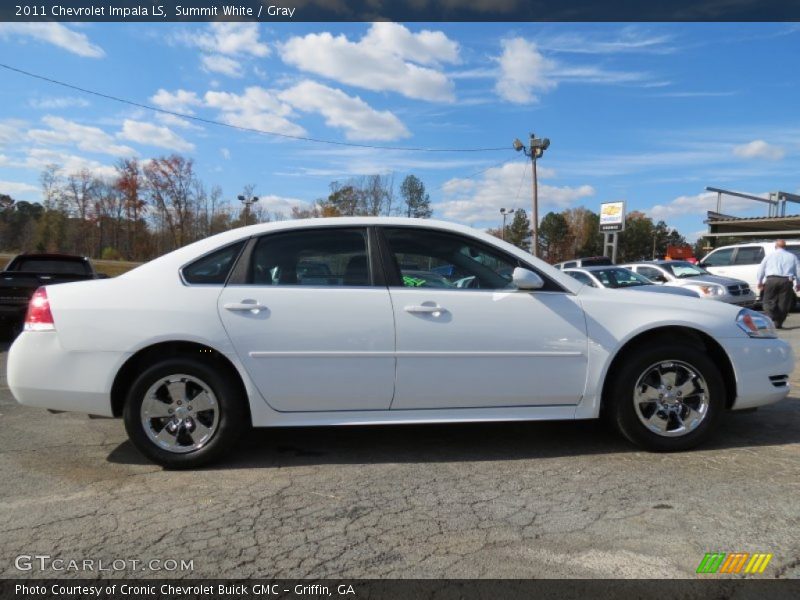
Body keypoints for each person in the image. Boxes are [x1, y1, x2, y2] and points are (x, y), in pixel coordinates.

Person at [755, 239, 800, 328]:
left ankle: (771, 316)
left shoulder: (769, 256)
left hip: (771, 280)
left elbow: (761, 269)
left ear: (776, 247)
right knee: (784, 303)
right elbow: (798, 271)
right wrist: (798, 283)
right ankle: (778, 323)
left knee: (767, 301)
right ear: (785, 247)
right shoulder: (792, 256)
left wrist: (759, 281)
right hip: (786, 281)